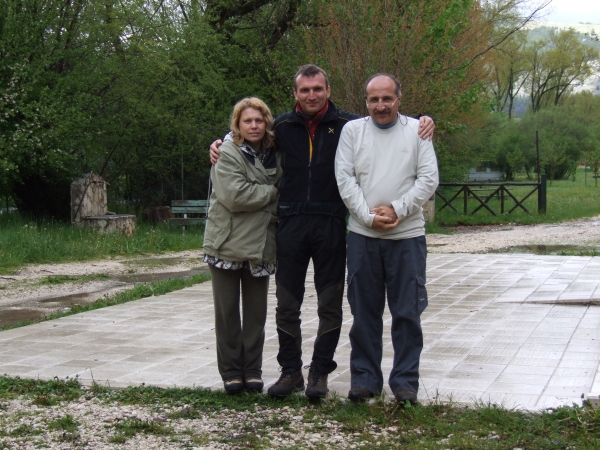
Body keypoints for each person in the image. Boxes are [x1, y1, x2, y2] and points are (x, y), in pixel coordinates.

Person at [210, 65, 435, 399]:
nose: (311, 95)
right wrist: (220, 141)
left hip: (331, 222)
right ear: (296, 93)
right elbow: (249, 134)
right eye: (304, 90)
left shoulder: (348, 126)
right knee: (287, 304)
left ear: (328, 90)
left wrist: (425, 119)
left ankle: (319, 371)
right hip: (291, 223)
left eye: (317, 89)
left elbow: (384, 119)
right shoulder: (283, 127)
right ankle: (290, 372)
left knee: (330, 305)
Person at [334, 73, 439, 405]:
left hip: (407, 236)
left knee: (407, 312)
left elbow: (429, 178)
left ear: (399, 98)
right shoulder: (353, 132)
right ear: (365, 102)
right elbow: (344, 177)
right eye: (374, 99)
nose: (381, 105)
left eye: (387, 98)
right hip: (363, 236)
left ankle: (405, 383)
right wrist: (368, 216)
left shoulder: (418, 131)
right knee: (364, 312)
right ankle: (365, 380)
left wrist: (398, 210)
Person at [203, 97, 282, 394]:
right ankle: (231, 372)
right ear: (236, 124)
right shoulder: (226, 152)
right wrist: (271, 192)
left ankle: (252, 370)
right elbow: (234, 195)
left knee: (256, 314)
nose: (253, 125)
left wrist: (263, 192)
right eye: (247, 120)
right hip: (225, 243)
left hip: (261, 245)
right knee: (226, 314)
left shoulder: (275, 154)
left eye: (259, 120)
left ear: (267, 123)